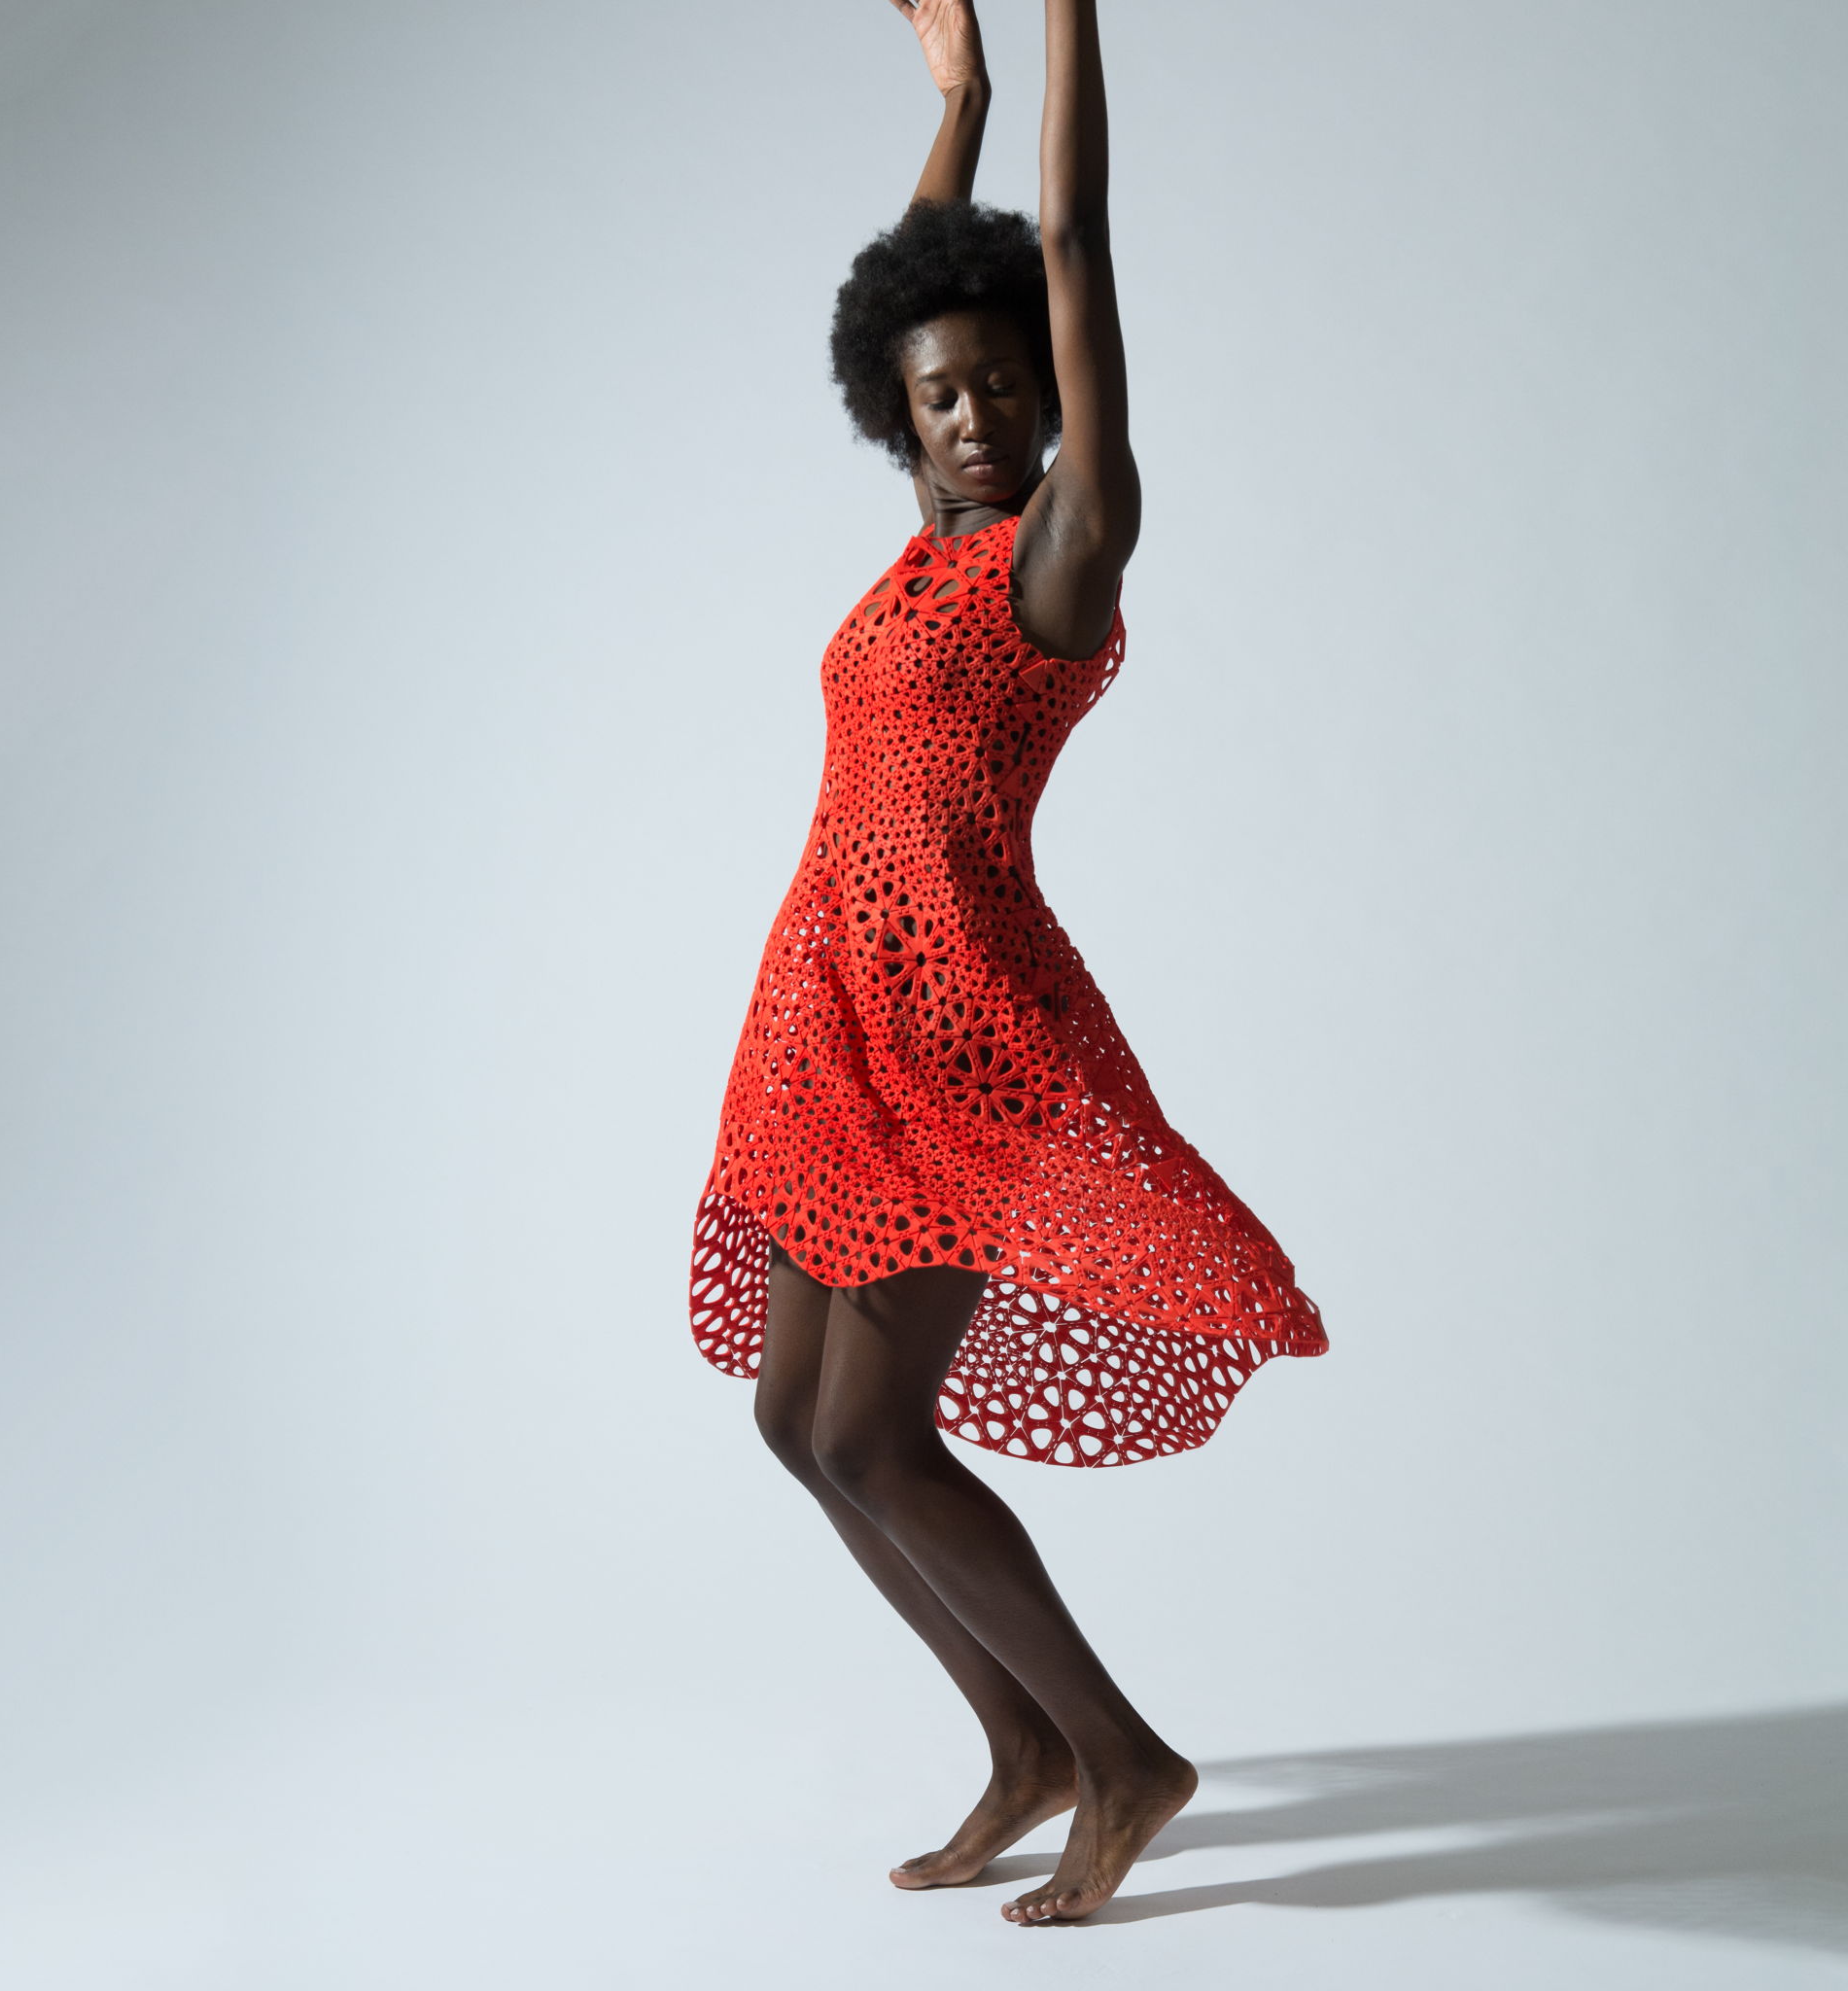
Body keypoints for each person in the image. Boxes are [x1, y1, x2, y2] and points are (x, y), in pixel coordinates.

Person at [687, 0, 1327, 1925]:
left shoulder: (1061, 552)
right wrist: (953, 97)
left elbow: (1066, 246)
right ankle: (1024, 1748)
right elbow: (919, 288)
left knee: (873, 1434)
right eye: (937, 397)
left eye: (999, 386)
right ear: (902, 417)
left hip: (957, 1033)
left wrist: (1059, 19)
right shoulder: (917, 542)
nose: (969, 414)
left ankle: (1123, 1756)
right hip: (822, 1017)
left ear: (1051, 393)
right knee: (796, 1426)